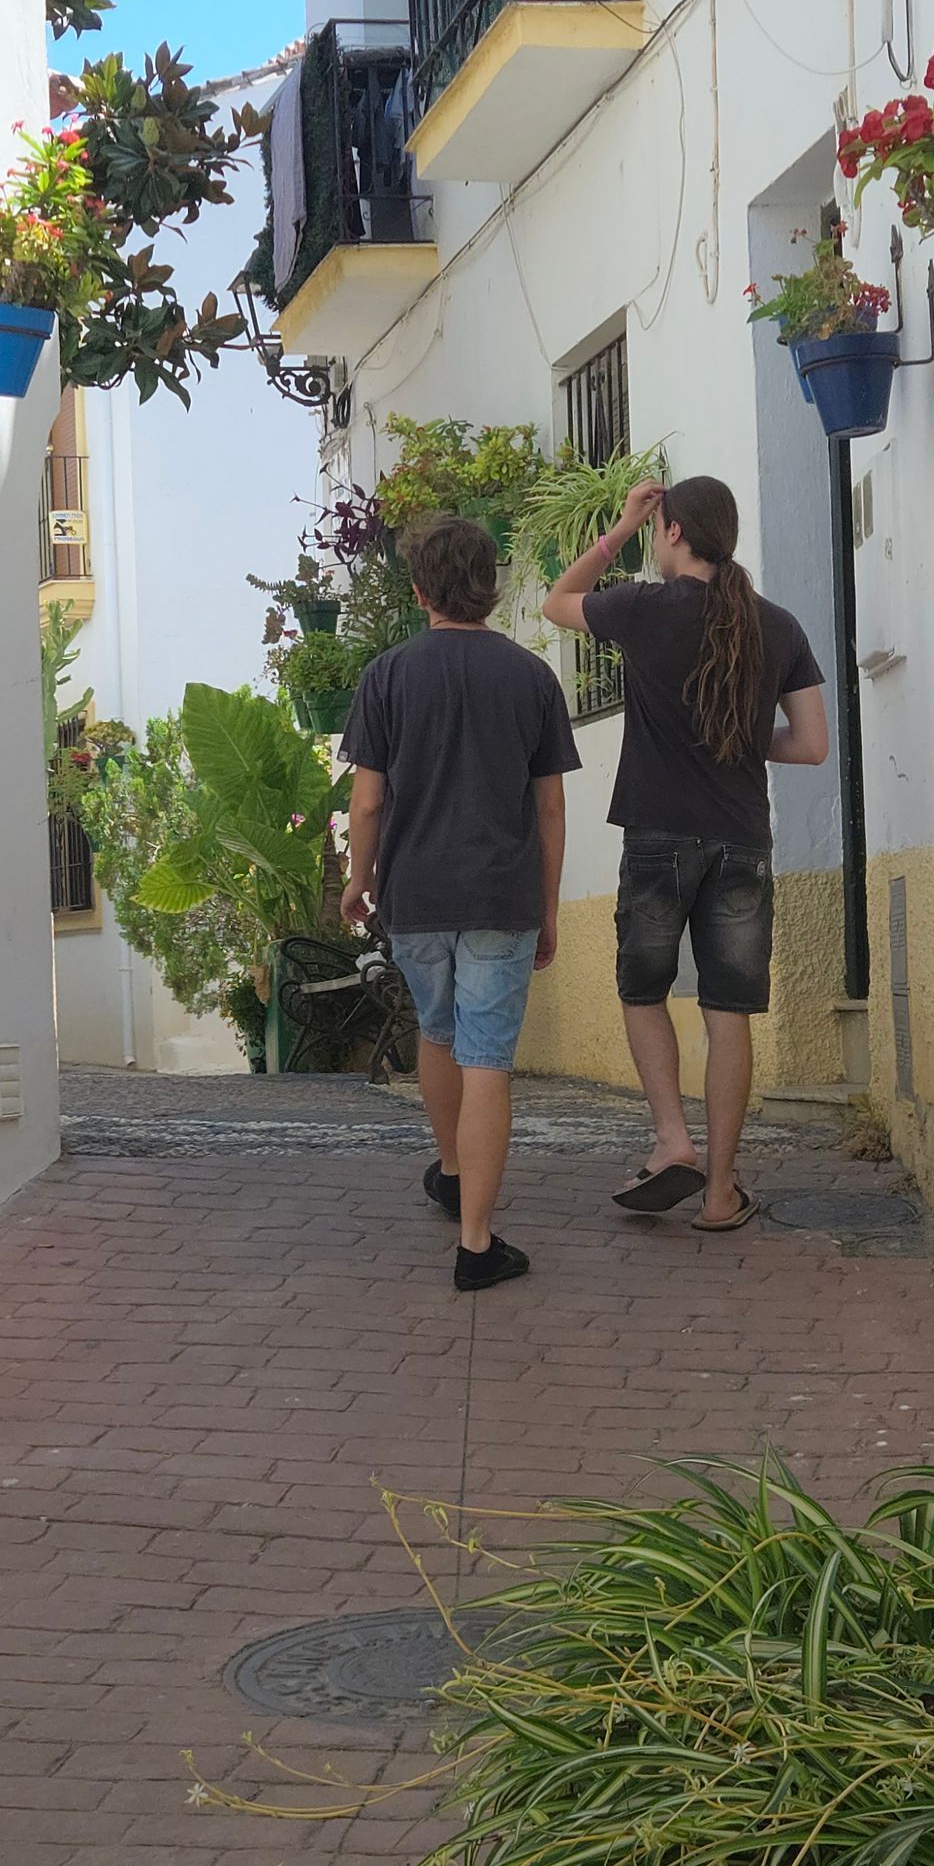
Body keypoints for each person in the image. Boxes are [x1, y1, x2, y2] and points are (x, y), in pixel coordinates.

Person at [542, 475, 829, 1232]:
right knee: (727, 1011)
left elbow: (555, 601)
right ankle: (722, 1192)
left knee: (643, 991)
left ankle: (673, 1140)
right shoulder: (780, 626)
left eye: (656, 527)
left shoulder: (642, 608)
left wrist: (616, 529)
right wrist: (737, 740)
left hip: (658, 833)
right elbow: (810, 745)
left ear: (670, 531)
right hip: (742, 838)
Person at [340, 516, 581, 1291]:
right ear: (494, 586)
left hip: (414, 895)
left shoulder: (385, 676)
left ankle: (450, 1170)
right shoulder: (532, 680)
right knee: (488, 1062)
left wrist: (357, 877)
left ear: (418, 591)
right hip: (500, 896)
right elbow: (549, 809)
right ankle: (476, 1243)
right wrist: (548, 905)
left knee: (437, 1038)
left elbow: (369, 801)